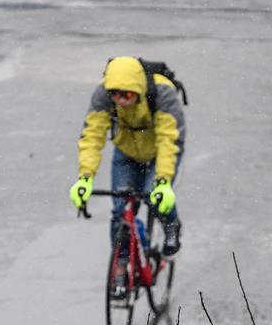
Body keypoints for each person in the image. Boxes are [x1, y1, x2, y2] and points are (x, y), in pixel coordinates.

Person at [69, 56, 185, 296]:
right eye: (116, 95)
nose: (120, 102)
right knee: (120, 211)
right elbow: (92, 135)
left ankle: (171, 224)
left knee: (157, 198)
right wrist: (85, 177)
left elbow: (168, 139)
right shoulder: (104, 95)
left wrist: (163, 181)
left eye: (127, 96)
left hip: (160, 151)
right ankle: (121, 267)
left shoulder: (163, 93)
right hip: (127, 151)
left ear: (139, 91)